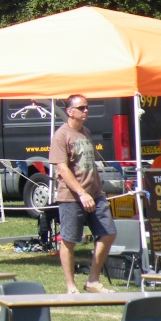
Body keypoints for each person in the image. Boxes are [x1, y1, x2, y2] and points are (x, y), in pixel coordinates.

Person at [49, 94, 117, 294]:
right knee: (69, 240)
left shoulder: (86, 132)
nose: (86, 111)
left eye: (87, 107)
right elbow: (63, 169)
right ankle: (71, 286)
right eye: (82, 108)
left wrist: (97, 189)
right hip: (71, 197)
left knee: (108, 234)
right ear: (70, 112)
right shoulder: (61, 136)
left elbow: (89, 166)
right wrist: (81, 193)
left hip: (95, 194)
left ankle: (93, 281)